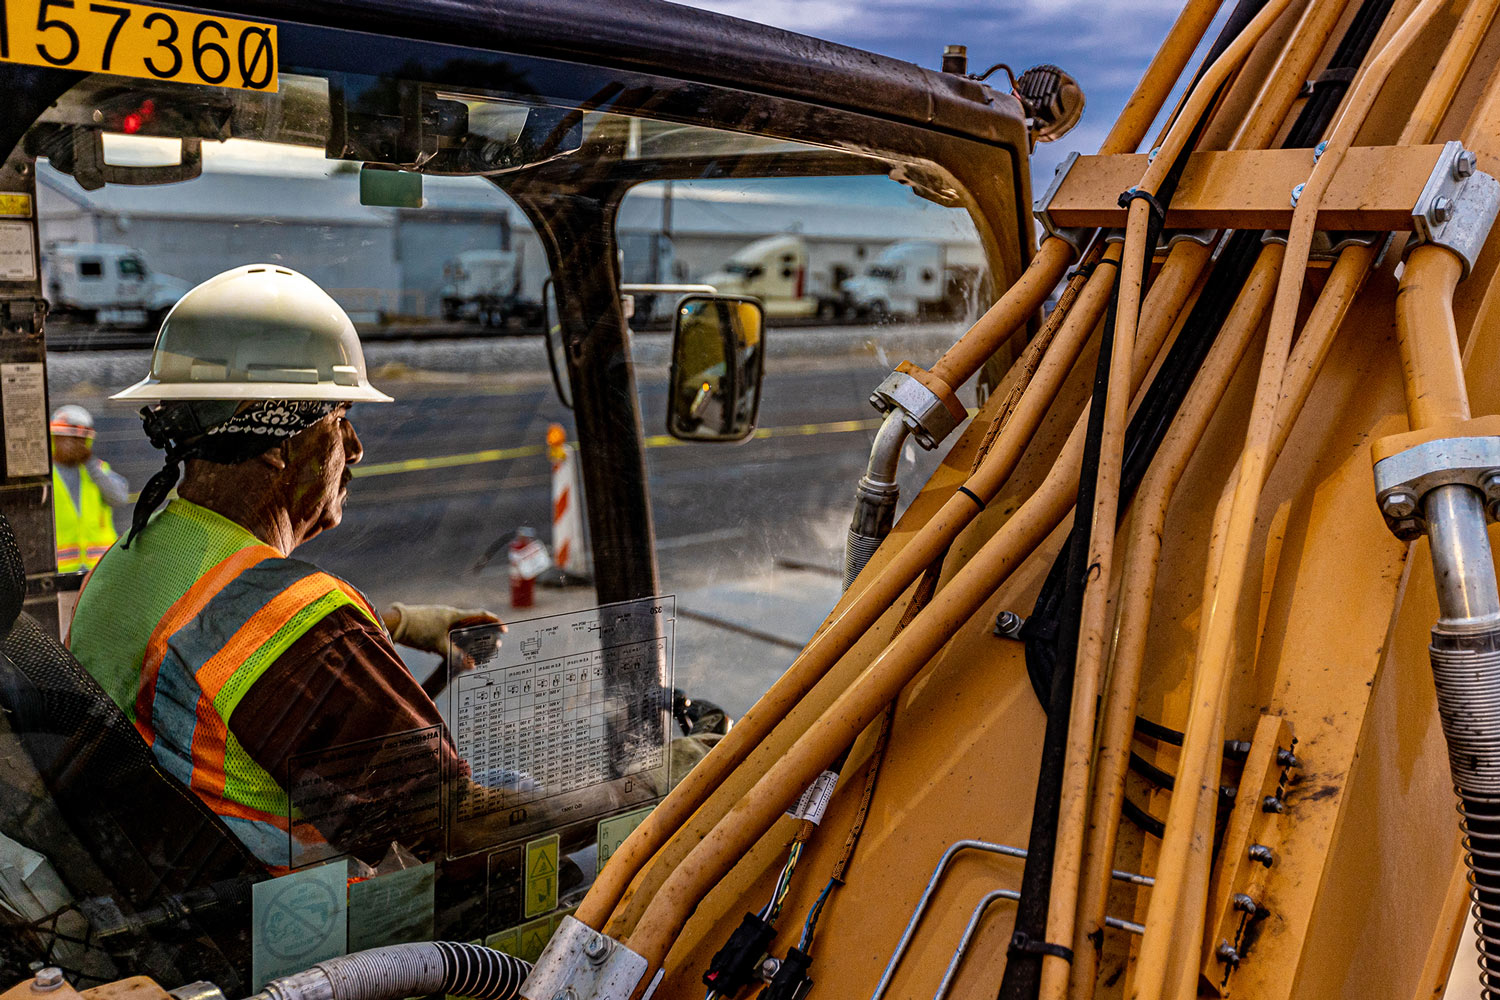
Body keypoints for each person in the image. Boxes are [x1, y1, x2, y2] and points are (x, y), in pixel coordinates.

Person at [67, 264, 498, 871]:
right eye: (339, 419)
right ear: (276, 445)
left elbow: (216, 642)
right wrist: (651, 786)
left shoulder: (123, 565)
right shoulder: (300, 623)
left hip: (162, 894)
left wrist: (398, 623)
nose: (354, 448)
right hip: (305, 940)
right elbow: (463, 827)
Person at [50, 405, 129, 572]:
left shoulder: (97, 469)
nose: (71, 445)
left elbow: (119, 498)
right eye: (64, 438)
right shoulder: (45, 477)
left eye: (78, 439)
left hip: (100, 569)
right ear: (53, 439)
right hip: (60, 571)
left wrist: (90, 464)